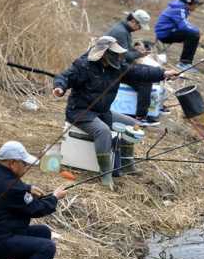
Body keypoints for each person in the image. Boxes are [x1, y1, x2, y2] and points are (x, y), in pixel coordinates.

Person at [53, 36, 178, 189]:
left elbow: (139, 72)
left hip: (102, 112)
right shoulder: (83, 66)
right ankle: (105, 173)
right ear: (104, 53)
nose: (120, 57)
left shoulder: (117, 67)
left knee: (132, 124)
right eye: (116, 54)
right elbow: (64, 77)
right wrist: (59, 87)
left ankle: (126, 164)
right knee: (103, 131)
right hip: (81, 112)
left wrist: (163, 73)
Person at [107, 9, 160, 126]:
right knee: (145, 81)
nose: (139, 29)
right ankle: (141, 117)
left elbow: (126, 50)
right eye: (140, 26)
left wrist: (136, 51)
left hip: (118, 65)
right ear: (133, 21)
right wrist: (140, 54)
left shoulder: (123, 30)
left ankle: (148, 110)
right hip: (114, 68)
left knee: (146, 73)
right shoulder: (121, 32)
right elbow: (125, 56)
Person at [155, 0, 202, 72]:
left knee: (193, 33)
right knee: (194, 34)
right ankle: (184, 63)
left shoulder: (179, 7)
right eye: (195, 4)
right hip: (165, 34)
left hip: (164, 32)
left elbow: (183, 24)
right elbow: (183, 26)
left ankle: (185, 62)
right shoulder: (179, 9)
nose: (196, 6)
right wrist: (196, 30)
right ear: (188, 4)